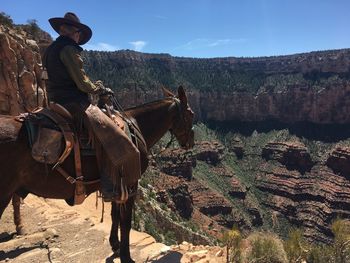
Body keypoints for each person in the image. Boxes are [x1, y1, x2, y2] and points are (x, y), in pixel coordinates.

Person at [43, 12, 140, 201]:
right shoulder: (69, 49)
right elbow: (81, 82)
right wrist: (99, 88)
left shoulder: (51, 49)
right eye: (78, 33)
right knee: (111, 133)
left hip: (55, 99)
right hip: (73, 102)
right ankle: (111, 188)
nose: (78, 37)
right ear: (74, 32)